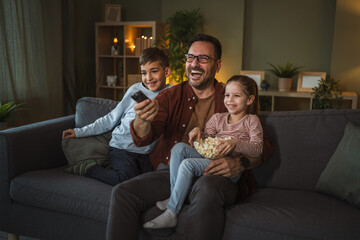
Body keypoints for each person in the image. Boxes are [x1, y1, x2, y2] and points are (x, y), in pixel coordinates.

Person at [106, 34, 273, 240]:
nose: (194, 64)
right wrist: (142, 119)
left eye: (203, 58)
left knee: (207, 188)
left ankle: (174, 210)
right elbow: (144, 137)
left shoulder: (231, 96)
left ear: (218, 65)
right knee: (123, 193)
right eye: (190, 57)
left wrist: (240, 163)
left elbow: (263, 146)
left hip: (214, 174)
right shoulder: (169, 96)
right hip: (169, 173)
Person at [142, 75, 263, 229]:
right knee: (178, 148)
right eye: (227, 95)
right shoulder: (218, 118)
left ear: (250, 100)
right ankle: (174, 195)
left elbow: (258, 149)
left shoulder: (251, 121)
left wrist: (235, 143)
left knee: (187, 165)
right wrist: (198, 131)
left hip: (226, 165)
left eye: (236, 96)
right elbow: (206, 138)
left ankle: (171, 213)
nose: (230, 100)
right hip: (210, 156)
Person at [61, 47, 171, 186]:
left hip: (145, 153)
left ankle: (112, 167)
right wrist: (79, 132)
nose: (148, 78)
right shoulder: (135, 90)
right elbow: (111, 118)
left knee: (145, 184)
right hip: (122, 148)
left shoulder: (171, 95)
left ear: (166, 71)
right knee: (125, 179)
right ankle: (89, 169)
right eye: (144, 73)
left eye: (154, 71)